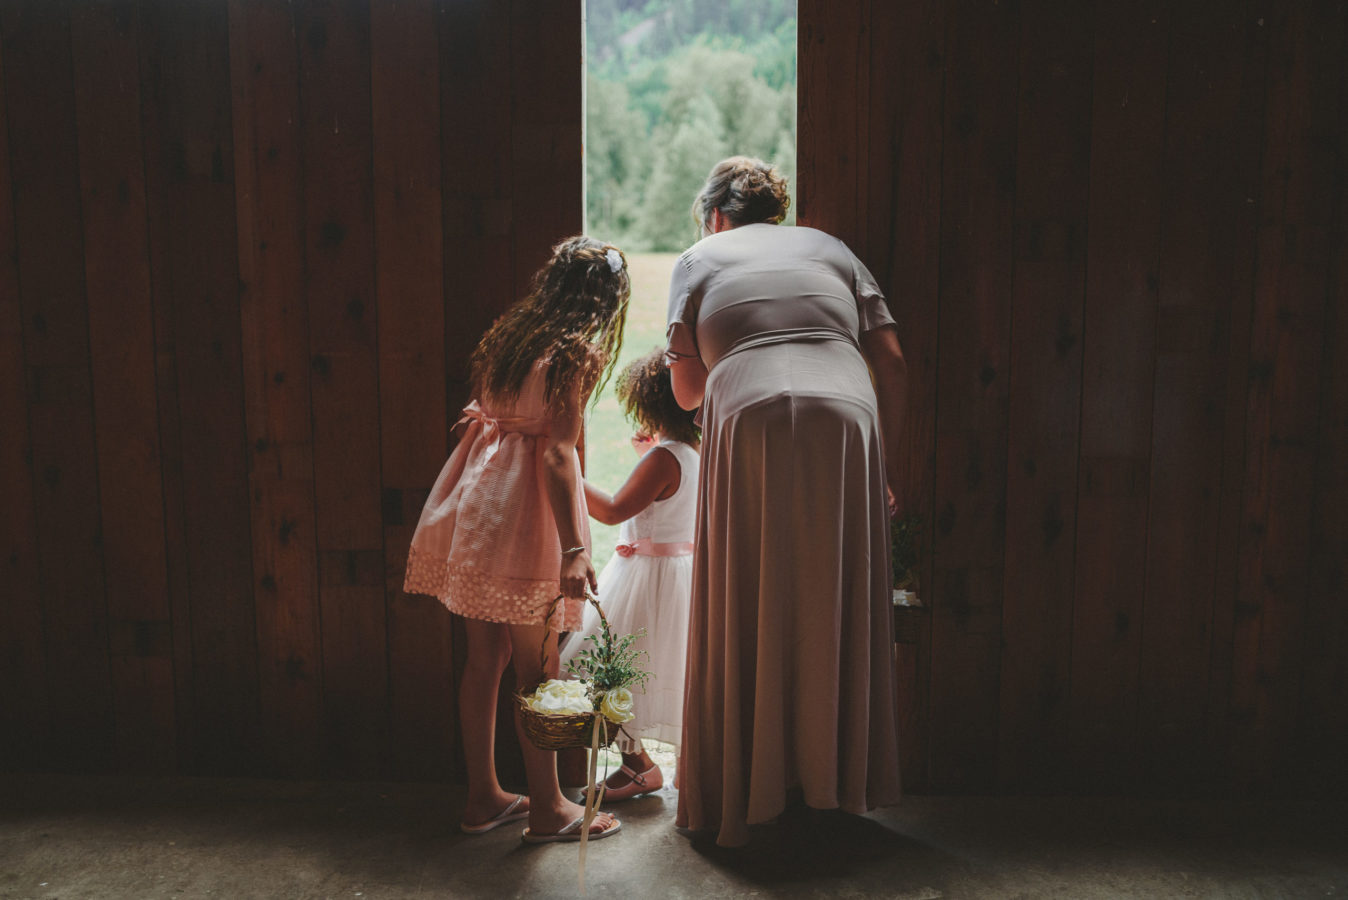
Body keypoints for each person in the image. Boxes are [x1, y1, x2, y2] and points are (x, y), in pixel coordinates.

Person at [664, 156, 908, 847]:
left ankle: (750, 780)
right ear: (778, 210)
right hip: (847, 411)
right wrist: (888, 463)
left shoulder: (700, 256)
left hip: (751, 410)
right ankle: (832, 779)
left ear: (714, 215)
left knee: (752, 587)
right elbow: (891, 361)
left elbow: (685, 394)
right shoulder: (829, 246)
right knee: (831, 587)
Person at [403, 235, 630, 844]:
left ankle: (483, 797)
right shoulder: (573, 350)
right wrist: (575, 548)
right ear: (603, 301)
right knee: (540, 669)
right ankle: (549, 809)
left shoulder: (510, 337)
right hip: (524, 519)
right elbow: (557, 451)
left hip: (479, 509)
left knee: (486, 660)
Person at [560, 349, 701, 802]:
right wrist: (650, 452)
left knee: (601, 670)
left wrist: (567, 473)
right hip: (676, 574)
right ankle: (641, 766)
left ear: (648, 404)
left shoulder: (663, 458)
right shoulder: (694, 451)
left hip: (646, 578)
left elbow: (616, 510)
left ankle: (639, 765)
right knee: (648, 673)